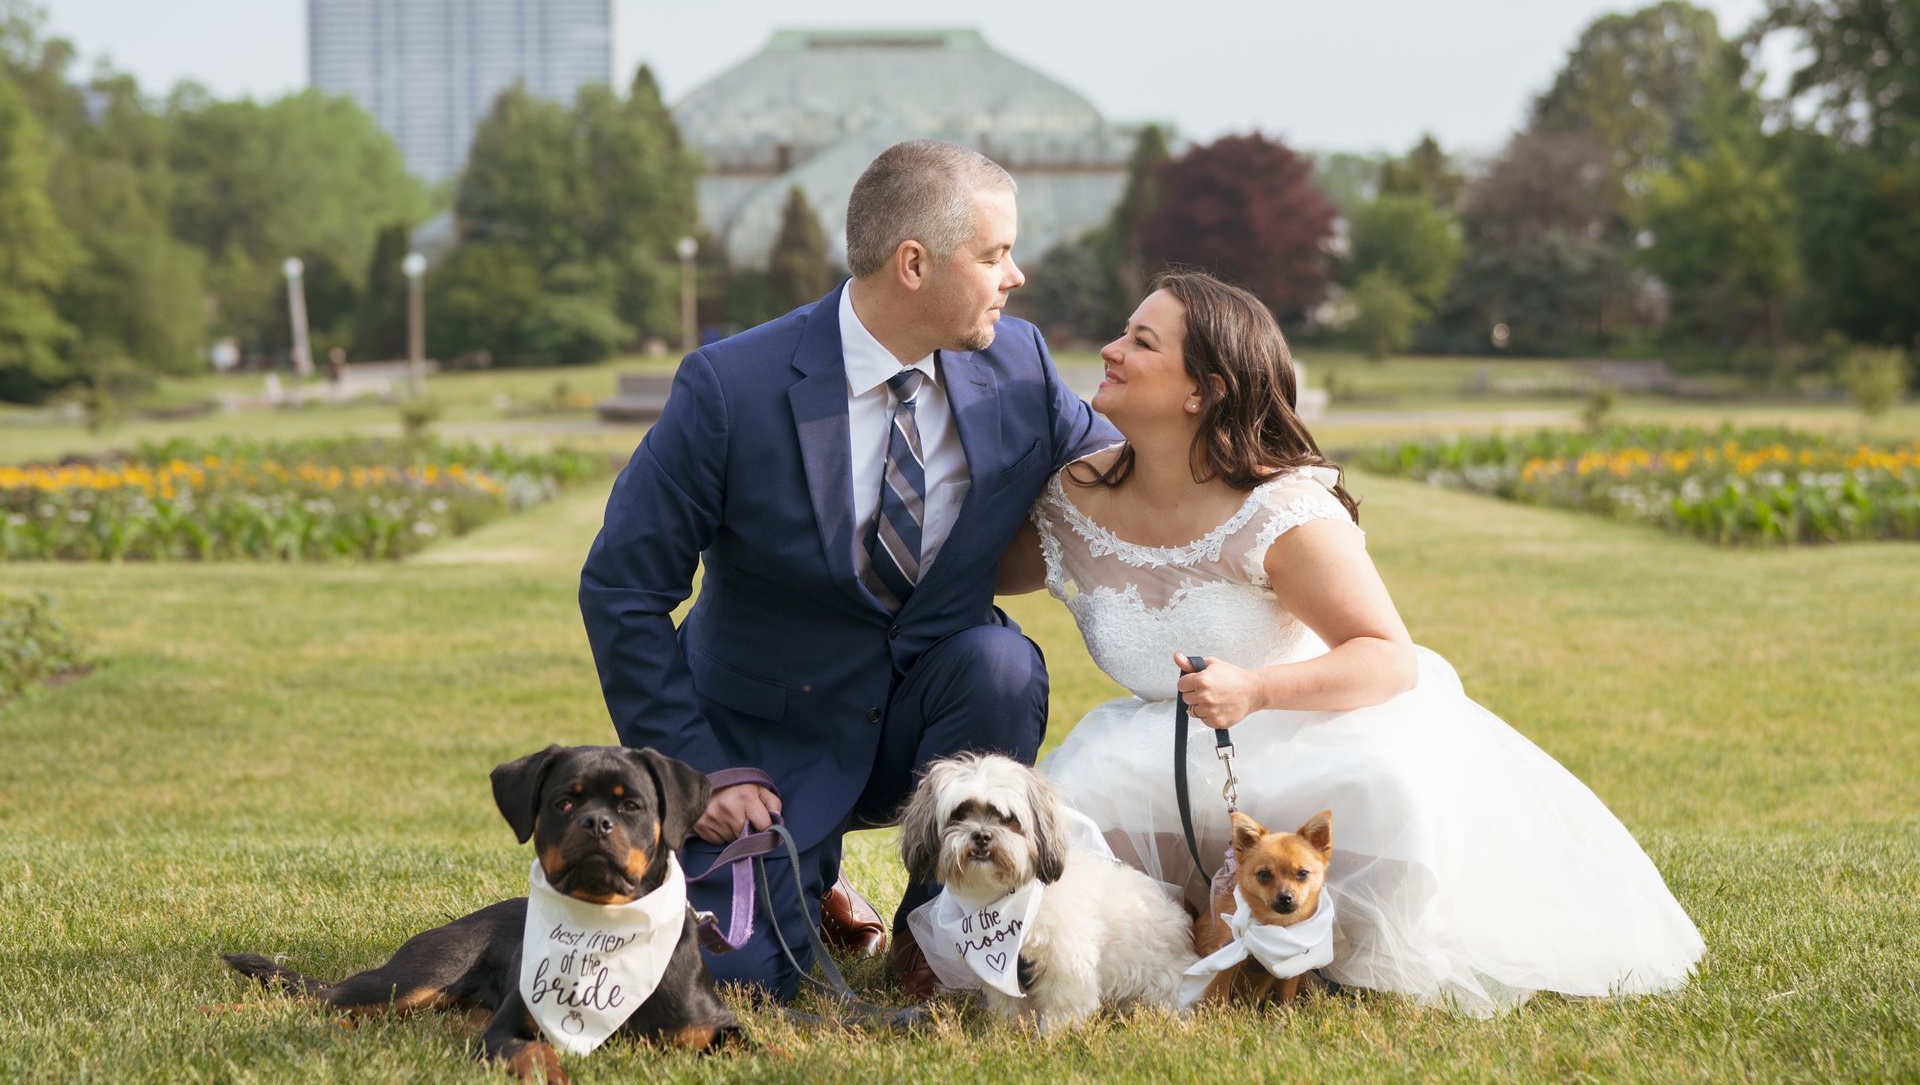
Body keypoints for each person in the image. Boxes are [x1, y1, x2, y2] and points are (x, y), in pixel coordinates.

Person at [997, 271, 1703, 1015]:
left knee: (1380, 788)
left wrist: (1256, 690)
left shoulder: (1281, 509)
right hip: (1156, 739)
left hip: (1311, 723)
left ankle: (1328, 957)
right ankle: (1162, 951)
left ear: (1202, 390)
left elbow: (1388, 655)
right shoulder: (1076, 500)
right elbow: (964, 573)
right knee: (1076, 800)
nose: (1109, 349)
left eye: (1140, 341)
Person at [581, 140, 1118, 1000]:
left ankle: (933, 933)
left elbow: (1124, 472)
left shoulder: (1018, 364)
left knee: (1002, 662)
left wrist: (1280, 484)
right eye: (993, 255)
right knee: (743, 981)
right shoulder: (731, 387)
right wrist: (699, 764)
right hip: (764, 743)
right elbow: (622, 589)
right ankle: (808, 880)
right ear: (914, 264)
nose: (1014, 276)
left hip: (931, 720)